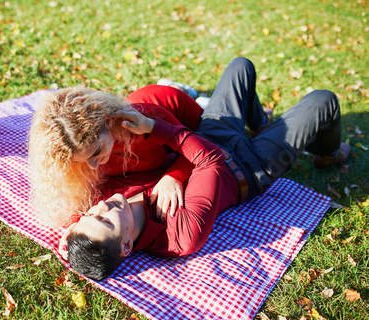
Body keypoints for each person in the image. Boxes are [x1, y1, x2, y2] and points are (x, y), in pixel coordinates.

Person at [58, 57, 350, 280]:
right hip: (250, 166)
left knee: (241, 66)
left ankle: (260, 123)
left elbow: (72, 199)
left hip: (210, 132)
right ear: (126, 246)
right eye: (106, 221)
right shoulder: (181, 235)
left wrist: (73, 227)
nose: (102, 208)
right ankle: (329, 153)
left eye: (92, 214)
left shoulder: (108, 197)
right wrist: (153, 128)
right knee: (323, 100)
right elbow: (211, 160)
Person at [29, 80, 227, 226]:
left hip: (177, 113)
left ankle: (188, 94)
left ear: (108, 122)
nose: (94, 165)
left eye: (97, 152)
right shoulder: (81, 152)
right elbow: (87, 197)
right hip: (161, 152)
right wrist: (75, 227)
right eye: (84, 160)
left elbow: (199, 146)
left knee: (217, 125)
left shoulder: (144, 120)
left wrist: (173, 176)